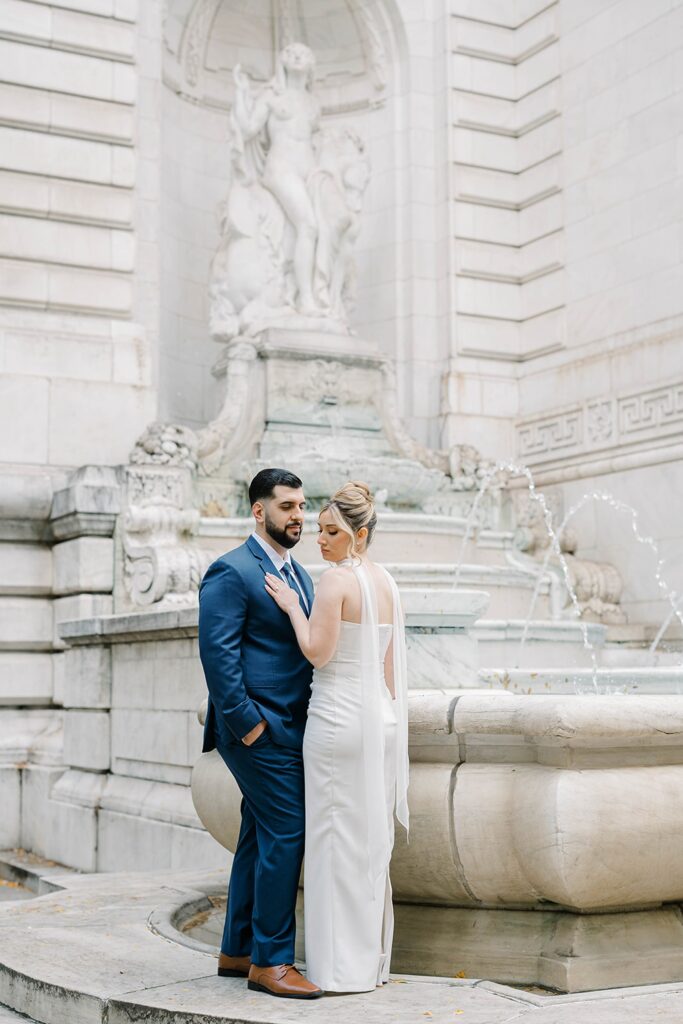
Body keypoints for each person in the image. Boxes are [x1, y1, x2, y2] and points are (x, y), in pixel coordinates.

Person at [265, 481, 409, 993]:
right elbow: (389, 668)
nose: (320, 540)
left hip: (337, 725)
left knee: (331, 840)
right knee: (367, 843)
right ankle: (367, 964)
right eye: (320, 530)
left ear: (359, 535)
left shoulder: (335, 582)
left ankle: (338, 970)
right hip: (380, 721)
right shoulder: (387, 582)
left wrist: (292, 606)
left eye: (332, 532)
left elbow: (317, 652)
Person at [198, 468, 322, 999]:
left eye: (302, 506)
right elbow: (218, 657)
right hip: (256, 730)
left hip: (292, 726)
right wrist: (248, 725)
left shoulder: (301, 576)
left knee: (257, 833)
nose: (298, 516)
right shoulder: (231, 571)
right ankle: (272, 962)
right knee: (288, 830)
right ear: (259, 510)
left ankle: (238, 949)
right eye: (287, 506)